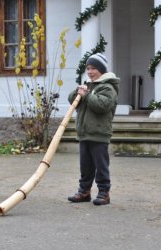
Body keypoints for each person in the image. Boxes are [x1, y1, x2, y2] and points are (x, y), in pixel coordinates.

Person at [67, 53, 119, 205]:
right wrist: (78, 90)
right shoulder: (88, 85)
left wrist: (87, 94)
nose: (89, 72)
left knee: (101, 166)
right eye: (88, 68)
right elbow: (72, 100)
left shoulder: (108, 87)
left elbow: (101, 106)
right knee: (86, 166)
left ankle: (104, 193)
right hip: (84, 133)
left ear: (101, 70)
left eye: (93, 68)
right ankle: (84, 192)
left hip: (99, 133)